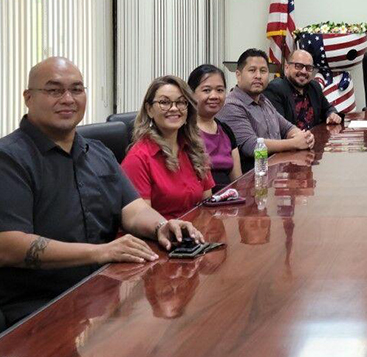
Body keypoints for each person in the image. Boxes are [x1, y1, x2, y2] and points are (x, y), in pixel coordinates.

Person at [0, 57, 203, 327]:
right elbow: (9, 246)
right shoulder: (10, 159)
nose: (68, 98)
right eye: (54, 90)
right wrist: (100, 252)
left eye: (76, 89)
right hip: (39, 308)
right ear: (28, 97)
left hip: (106, 294)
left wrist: (161, 226)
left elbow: (133, 209)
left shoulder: (98, 152)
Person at [121, 76, 215, 219]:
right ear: (149, 109)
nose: (174, 108)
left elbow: (207, 206)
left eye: (181, 102)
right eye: (164, 102)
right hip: (159, 238)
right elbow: (141, 220)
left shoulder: (194, 149)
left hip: (196, 235)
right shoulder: (138, 159)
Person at [217, 48, 315, 172]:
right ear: (238, 74)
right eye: (252, 70)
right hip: (251, 181)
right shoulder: (231, 105)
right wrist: (295, 143)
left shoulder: (263, 100)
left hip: (274, 175)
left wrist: (304, 137)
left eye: (263, 71)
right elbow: (252, 146)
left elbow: (286, 127)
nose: (258, 76)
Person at [188, 64, 243, 189]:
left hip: (228, 201)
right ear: (191, 94)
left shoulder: (226, 130)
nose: (214, 96)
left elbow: (238, 181)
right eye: (206, 90)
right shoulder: (184, 131)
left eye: (219, 90)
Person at [265, 48, 342, 128]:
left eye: (308, 68)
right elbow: (279, 127)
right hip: (292, 139)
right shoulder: (275, 89)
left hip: (315, 138)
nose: (304, 71)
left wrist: (332, 114)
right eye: (298, 66)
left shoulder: (314, 87)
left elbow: (327, 108)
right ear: (287, 68)